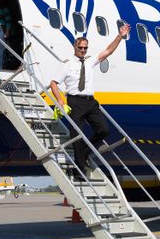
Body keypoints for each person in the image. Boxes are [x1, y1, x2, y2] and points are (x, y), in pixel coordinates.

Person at [49, 23, 130, 176]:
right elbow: (53, 83)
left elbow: (108, 51)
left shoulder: (90, 61)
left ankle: (85, 153)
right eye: (81, 48)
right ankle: (80, 168)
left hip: (90, 102)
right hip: (74, 102)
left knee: (104, 130)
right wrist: (60, 100)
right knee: (77, 135)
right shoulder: (67, 65)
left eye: (85, 48)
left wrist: (120, 36)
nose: (83, 50)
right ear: (75, 47)